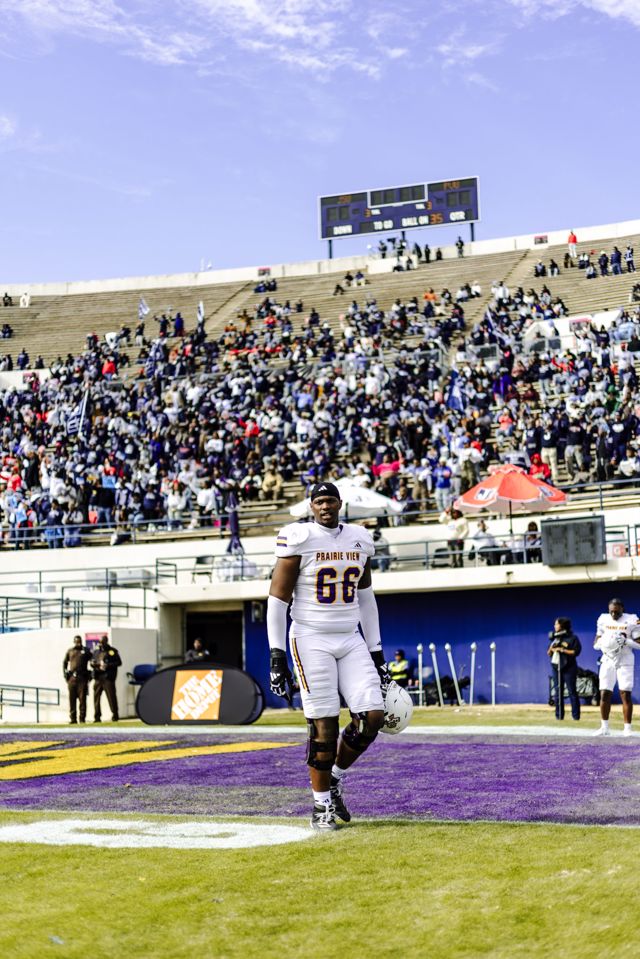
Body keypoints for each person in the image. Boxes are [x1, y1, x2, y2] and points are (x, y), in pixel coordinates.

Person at [267, 482, 388, 831]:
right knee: (324, 726)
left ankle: (334, 778)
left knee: (372, 717)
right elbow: (277, 600)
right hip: (310, 636)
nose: (325, 506)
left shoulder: (359, 538)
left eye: (330, 500)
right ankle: (321, 806)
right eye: (319, 501)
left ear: (340, 503)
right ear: (312, 506)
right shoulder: (299, 537)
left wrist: (376, 652)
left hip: (349, 636)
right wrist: (277, 655)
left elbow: (367, 599)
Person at [594, 598, 640, 736]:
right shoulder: (603, 619)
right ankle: (604, 727)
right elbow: (596, 642)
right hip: (608, 659)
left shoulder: (632, 619)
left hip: (624, 659)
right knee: (604, 692)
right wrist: (601, 644)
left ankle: (627, 728)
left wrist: (627, 642)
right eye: (611, 612)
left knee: (625, 693)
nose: (613, 614)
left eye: (616, 612)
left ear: (622, 609)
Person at [547, 618, 581, 721]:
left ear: (562, 625)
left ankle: (575, 717)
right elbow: (549, 653)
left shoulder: (572, 638)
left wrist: (562, 650)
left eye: (556, 624)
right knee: (558, 692)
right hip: (556, 667)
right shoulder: (555, 638)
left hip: (569, 667)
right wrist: (552, 649)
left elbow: (576, 652)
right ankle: (559, 716)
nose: (554, 626)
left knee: (572, 692)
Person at [91, 634, 122, 722]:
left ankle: (115, 715)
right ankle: (97, 717)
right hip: (98, 677)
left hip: (108, 677)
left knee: (111, 697)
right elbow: (92, 661)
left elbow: (119, 662)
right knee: (96, 698)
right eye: (100, 642)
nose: (101, 644)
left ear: (106, 642)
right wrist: (94, 664)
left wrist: (108, 665)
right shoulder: (96, 652)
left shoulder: (112, 651)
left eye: (103, 642)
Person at [62, 634, 92, 724]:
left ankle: (82, 719)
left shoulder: (86, 651)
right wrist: (65, 674)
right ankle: (73, 719)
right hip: (72, 679)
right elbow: (64, 662)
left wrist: (91, 674)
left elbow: (93, 660)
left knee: (82, 700)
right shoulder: (70, 651)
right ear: (74, 642)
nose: (78, 643)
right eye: (76, 641)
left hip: (82, 678)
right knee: (72, 700)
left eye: (79, 641)